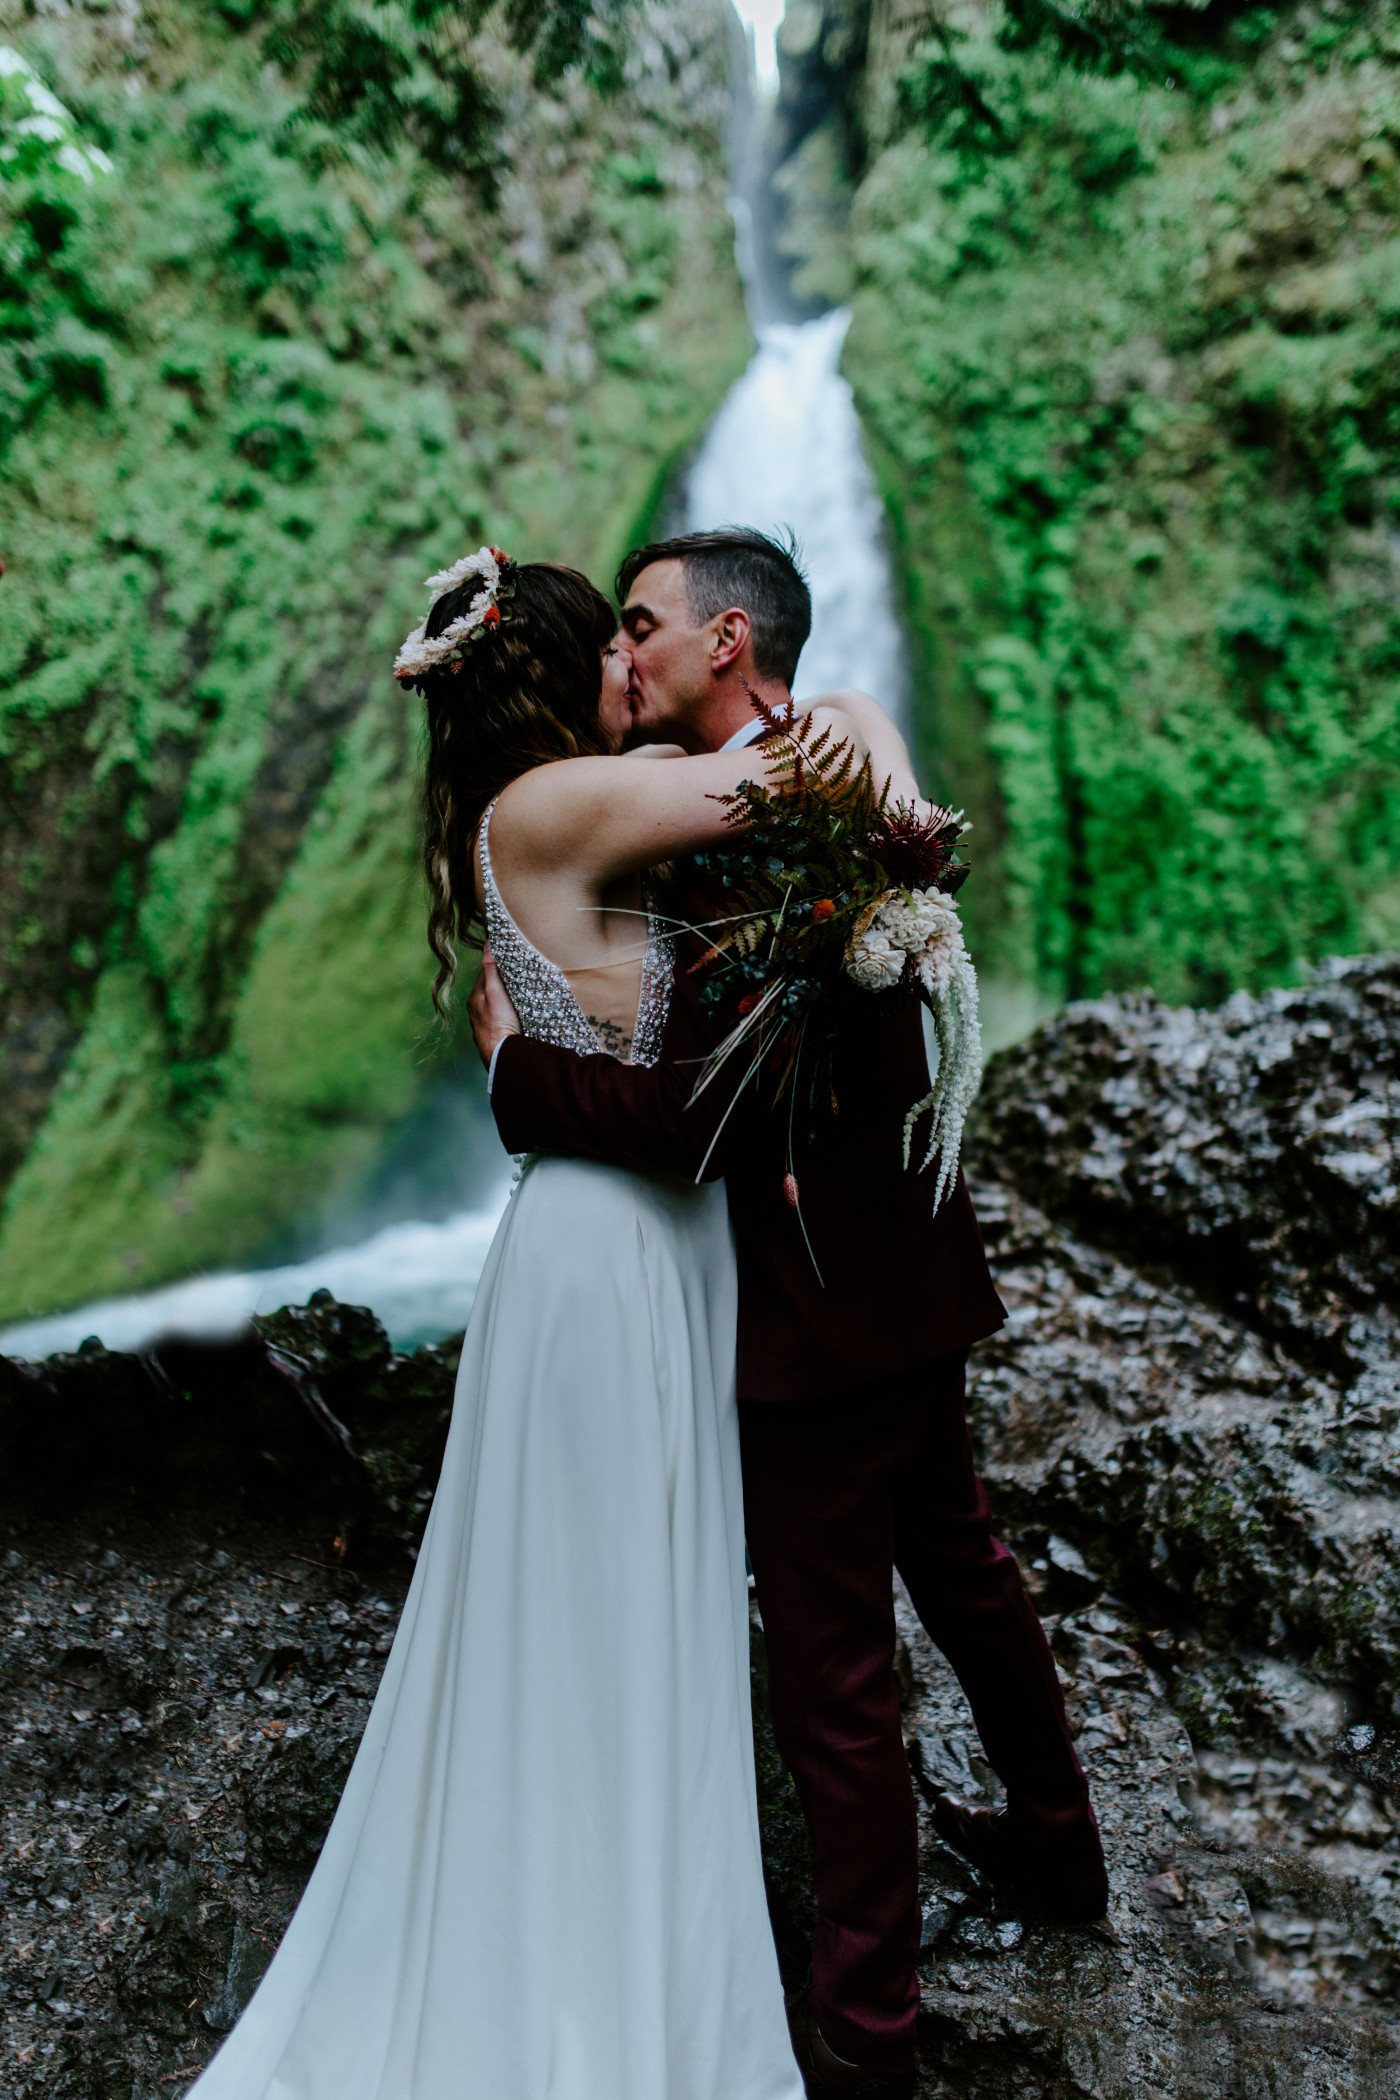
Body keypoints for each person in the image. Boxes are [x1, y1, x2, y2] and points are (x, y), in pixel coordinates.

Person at [186, 549, 869, 2100]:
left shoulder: (579, 804)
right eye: (624, 643)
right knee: (595, 1626)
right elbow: (776, 779)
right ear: (573, 675)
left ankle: (629, 1976)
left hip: (653, 1241)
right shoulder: (550, 807)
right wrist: (861, 719)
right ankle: (574, 2011)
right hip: (602, 1255)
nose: (647, 662)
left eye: (655, 632)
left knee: (645, 1617)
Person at [468, 528, 1108, 2100]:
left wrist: (517, 1072)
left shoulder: (776, 829)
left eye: (645, 625)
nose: (627, 652)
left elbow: (719, 1113)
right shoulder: (832, 790)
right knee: (962, 1561)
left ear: (728, 640)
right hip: (907, 1277)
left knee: (834, 1681)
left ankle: (869, 2041)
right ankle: (1058, 1841)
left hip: (815, 1320)